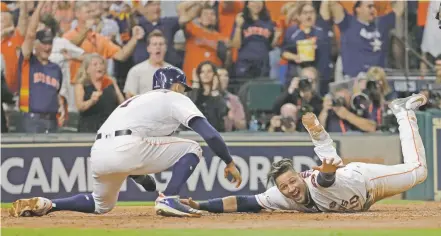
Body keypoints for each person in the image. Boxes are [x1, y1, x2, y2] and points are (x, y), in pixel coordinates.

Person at [9, 66, 242, 218]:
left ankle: (49, 204)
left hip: (100, 151)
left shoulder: (136, 101)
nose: (185, 92)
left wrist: (143, 179)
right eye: (183, 87)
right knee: (192, 147)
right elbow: (209, 134)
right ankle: (169, 199)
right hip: (129, 146)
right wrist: (229, 161)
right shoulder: (173, 97)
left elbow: (135, 149)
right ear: (176, 85)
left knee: (102, 205)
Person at [180, 93, 428, 214]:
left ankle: (402, 111)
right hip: (354, 200)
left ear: (299, 176)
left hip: (366, 183)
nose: (290, 189)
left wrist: (328, 172)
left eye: (291, 181)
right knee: (329, 157)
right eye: (284, 186)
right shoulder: (282, 196)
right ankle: (318, 133)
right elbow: (242, 201)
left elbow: (324, 180)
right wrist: (198, 205)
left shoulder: (315, 182)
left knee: (419, 172)